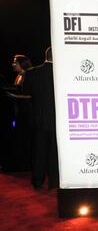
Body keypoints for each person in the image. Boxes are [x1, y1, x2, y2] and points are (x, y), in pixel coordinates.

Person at [22, 47, 59, 190]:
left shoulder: (31, 73)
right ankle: (54, 182)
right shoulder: (60, 72)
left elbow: (27, 94)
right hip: (57, 119)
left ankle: (37, 180)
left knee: (39, 151)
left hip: (38, 118)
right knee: (54, 152)